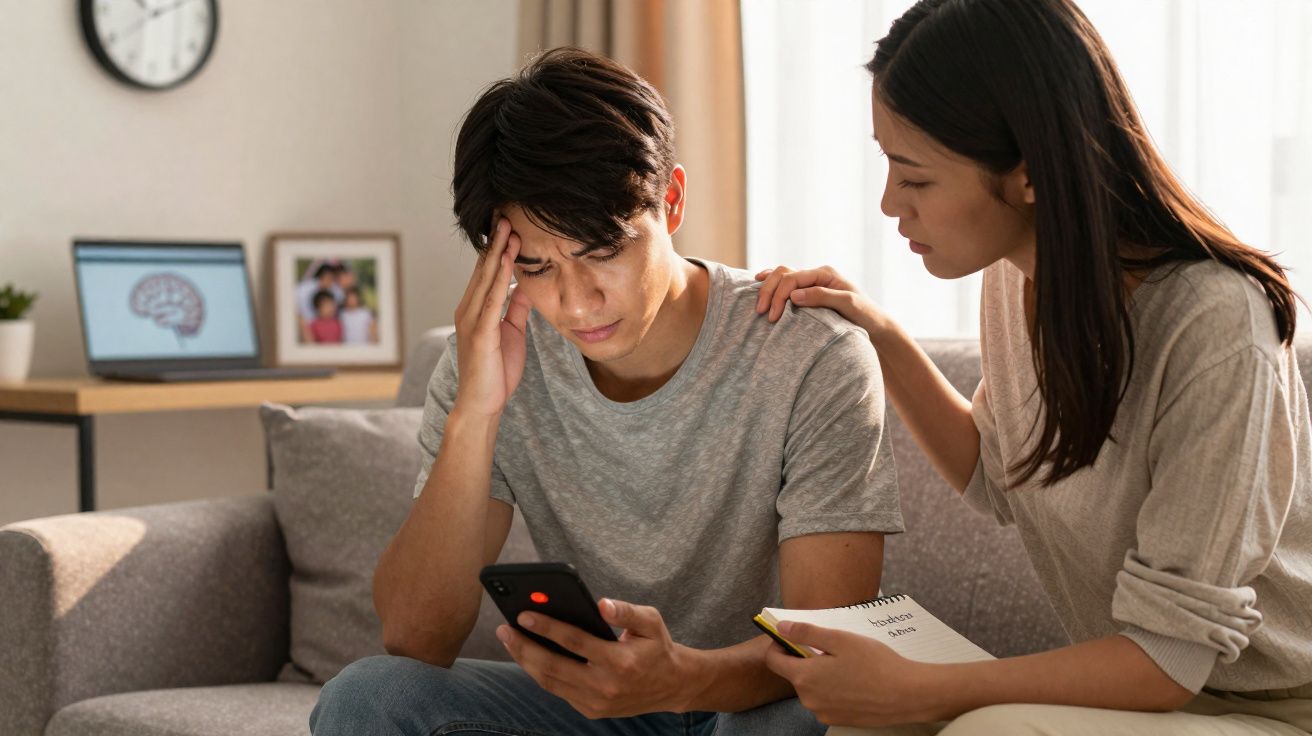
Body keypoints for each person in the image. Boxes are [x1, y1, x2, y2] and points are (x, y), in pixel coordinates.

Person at [750, 1, 1312, 733]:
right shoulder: (1016, 277)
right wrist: (880, 337)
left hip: (1272, 705)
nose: (890, 205)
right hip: (1150, 694)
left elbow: (1169, 659)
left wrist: (926, 689)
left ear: (1028, 175)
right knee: (862, 718)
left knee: (982, 727)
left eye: (913, 177)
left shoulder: (1216, 324)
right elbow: (997, 477)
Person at [308, 47, 904, 736]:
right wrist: (477, 409)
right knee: (370, 699)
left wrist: (680, 678)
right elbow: (416, 636)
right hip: (605, 714)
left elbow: (821, 645)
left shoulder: (810, 354)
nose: (577, 302)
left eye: (603, 251)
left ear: (671, 200)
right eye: (535, 265)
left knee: (823, 717)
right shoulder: (489, 362)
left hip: (758, 705)